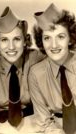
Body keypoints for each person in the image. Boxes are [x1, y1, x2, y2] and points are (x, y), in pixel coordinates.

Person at [0, 6, 44, 133]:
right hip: (0, 127)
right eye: (4, 40)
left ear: (25, 41)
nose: (11, 47)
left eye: (17, 39)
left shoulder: (36, 58)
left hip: (33, 124)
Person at [28, 3, 76, 134]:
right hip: (56, 128)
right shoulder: (35, 73)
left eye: (60, 37)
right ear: (41, 41)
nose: (53, 45)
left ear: (70, 39)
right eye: (47, 38)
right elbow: (43, 120)